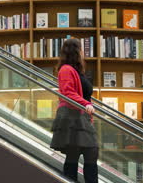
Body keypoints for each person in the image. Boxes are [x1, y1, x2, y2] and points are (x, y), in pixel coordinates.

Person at [50, 38, 98, 183]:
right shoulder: (66, 70)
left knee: (86, 153)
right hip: (71, 116)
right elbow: (67, 92)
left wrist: (86, 106)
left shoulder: (76, 71)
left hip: (79, 117)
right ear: (75, 51)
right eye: (81, 49)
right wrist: (85, 104)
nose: (83, 52)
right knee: (82, 153)